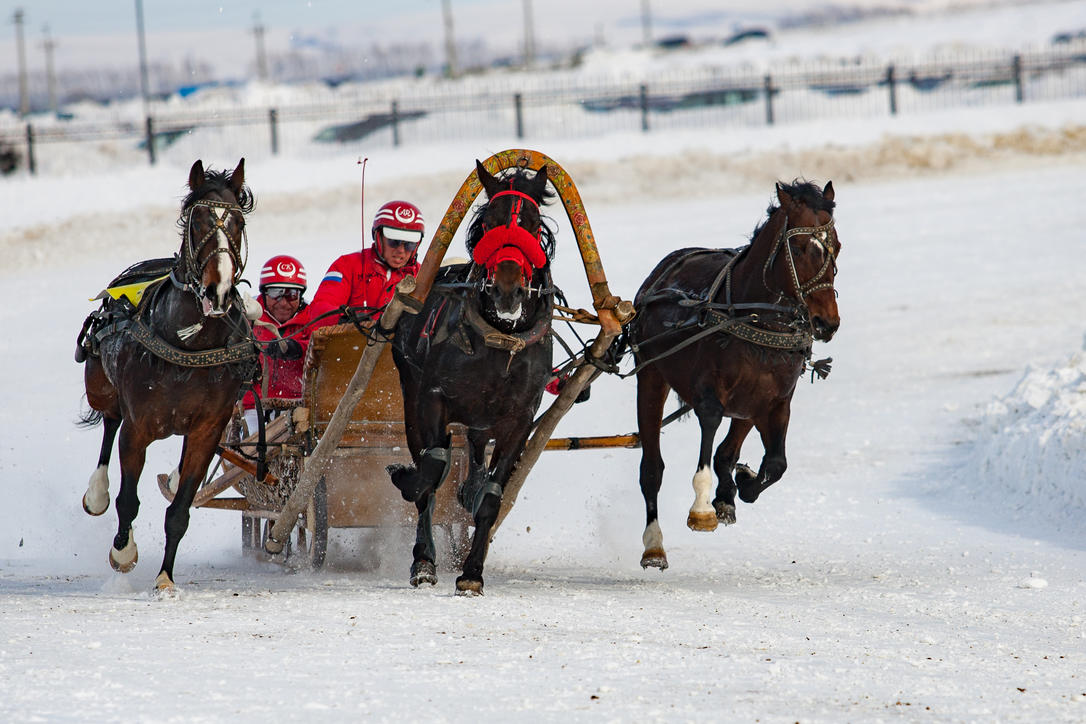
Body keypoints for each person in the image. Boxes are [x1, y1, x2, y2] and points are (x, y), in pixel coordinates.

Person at [305, 199, 424, 329]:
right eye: (394, 241)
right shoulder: (347, 265)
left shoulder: (422, 276)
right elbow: (318, 309)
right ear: (378, 236)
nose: (401, 250)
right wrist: (347, 320)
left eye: (410, 244)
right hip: (351, 340)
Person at [240, 254, 309, 436]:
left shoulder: (311, 318)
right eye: (275, 293)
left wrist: (298, 348)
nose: (283, 302)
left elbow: (323, 345)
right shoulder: (245, 317)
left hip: (301, 406)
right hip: (253, 406)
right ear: (263, 293)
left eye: (292, 294)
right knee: (256, 445)